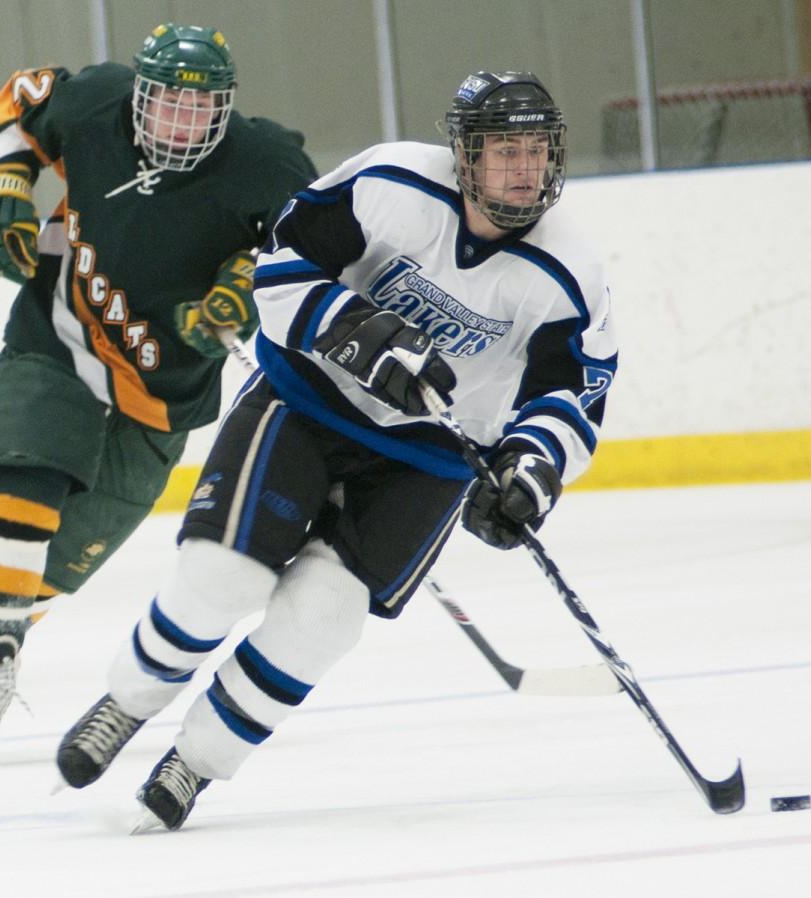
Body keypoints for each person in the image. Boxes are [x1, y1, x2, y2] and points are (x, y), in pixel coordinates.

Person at [55, 70, 618, 832]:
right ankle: (128, 702)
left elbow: (573, 396)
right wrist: (357, 332)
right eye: (505, 151)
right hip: (309, 404)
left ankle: (197, 760)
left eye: (537, 152)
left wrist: (532, 469)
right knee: (221, 577)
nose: (525, 169)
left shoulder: (569, 271)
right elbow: (282, 265)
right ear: (463, 155)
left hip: (433, 457)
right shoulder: (392, 183)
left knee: (324, 615)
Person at [0, 23, 316, 751]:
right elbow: (21, 103)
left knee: (64, 558)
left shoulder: (268, 163)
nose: (182, 123)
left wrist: (246, 285)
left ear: (226, 108)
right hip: (60, 335)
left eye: (202, 108)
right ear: (139, 95)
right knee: (29, 463)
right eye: (167, 104)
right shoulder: (94, 104)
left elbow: (308, 249)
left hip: (162, 396)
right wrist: (1, 181)